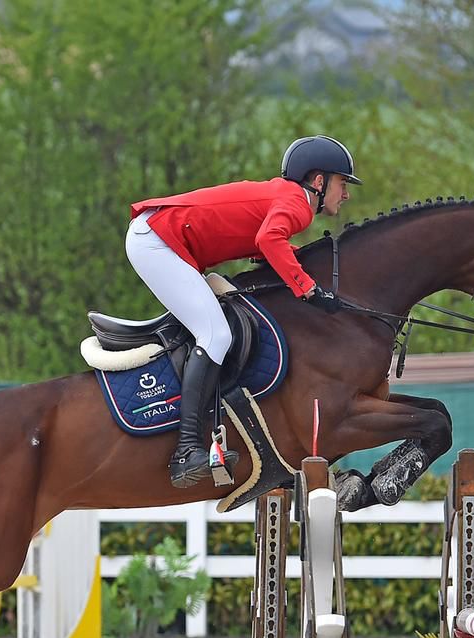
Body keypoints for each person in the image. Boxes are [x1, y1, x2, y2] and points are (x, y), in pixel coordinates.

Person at [128, 135, 360, 488]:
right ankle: (186, 450)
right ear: (318, 181)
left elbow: (260, 241)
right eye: (342, 183)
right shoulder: (297, 205)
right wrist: (308, 289)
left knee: (214, 331)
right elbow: (269, 240)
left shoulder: (287, 198)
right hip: (157, 242)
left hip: (159, 237)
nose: (345, 194)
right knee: (216, 334)